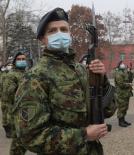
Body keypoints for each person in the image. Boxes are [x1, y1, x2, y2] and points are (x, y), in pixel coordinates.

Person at [13, 8, 116, 154]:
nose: (59, 34)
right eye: (52, 31)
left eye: (63, 29)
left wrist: (102, 79)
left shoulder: (81, 70)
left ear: (69, 34)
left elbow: (109, 110)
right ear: (43, 39)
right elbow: (31, 136)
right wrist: (84, 135)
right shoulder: (35, 77)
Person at [1, 52, 28, 155]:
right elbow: (8, 94)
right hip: (16, 111)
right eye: (19, 59)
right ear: (15, 62)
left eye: (23, 59)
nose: (22, 61)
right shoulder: (11, 75)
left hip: (26, 110)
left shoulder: (26, 73)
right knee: (18, 141)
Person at [114, 61, 133, 127]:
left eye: (123, 64)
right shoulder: (118, 73)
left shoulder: (123, 72)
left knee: (125, 107)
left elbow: (129, 78)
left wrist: (129, 70)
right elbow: (121, 84)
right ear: (119, 65)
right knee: (121, 108)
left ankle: (123, 120)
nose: (123, 65)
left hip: (125, 94)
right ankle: (120, 122)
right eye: (121, 64)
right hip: (121, 94)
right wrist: (129, 84)